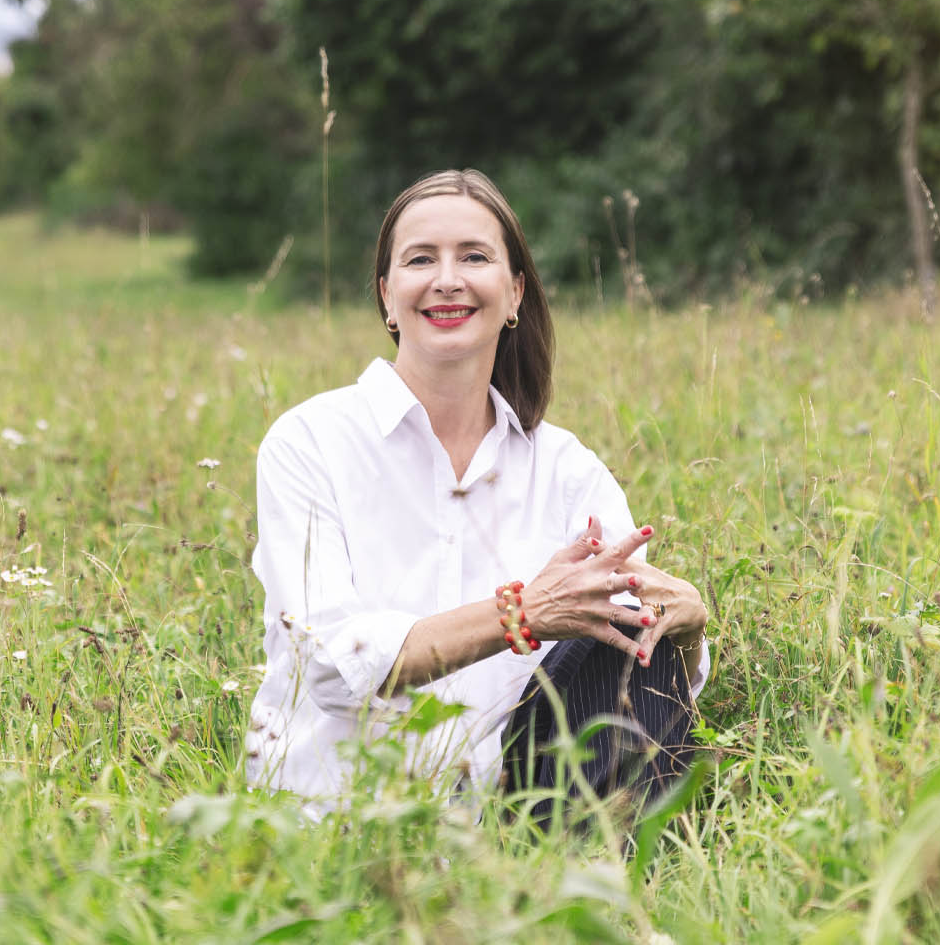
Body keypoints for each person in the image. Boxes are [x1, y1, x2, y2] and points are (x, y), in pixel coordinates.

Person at [244, 169, 711, 816]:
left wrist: (685, 624)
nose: (447, 279)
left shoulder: (567, 470)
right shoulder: (310, 442)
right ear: (387, 296)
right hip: (343, 818)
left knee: (630, 628)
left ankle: (599, 881)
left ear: (514, 292)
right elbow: (329, 663)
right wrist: (522, 613)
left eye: (473, 256)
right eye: (420, 259)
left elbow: (634, 678)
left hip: (515, 817)